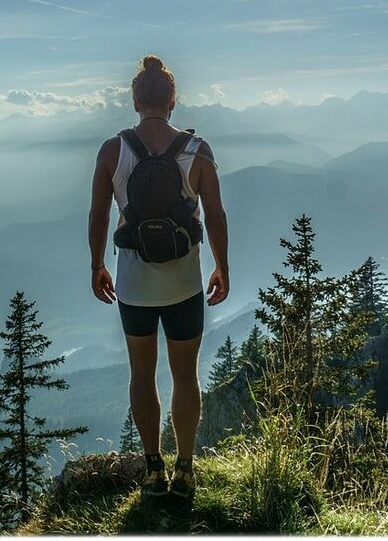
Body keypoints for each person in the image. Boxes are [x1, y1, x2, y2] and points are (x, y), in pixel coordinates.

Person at [88, 55, 229, 500]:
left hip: (134, 286)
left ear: (135, 100)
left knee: (142, 373)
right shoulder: (197, 150)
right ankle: (185, 469)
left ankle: (153, 470)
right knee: (185, 377)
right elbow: (216, 214)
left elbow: (98, 213)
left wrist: (97, 265)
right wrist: (222, 266)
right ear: (172, 101)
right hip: (185, 284)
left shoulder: (114, 150)